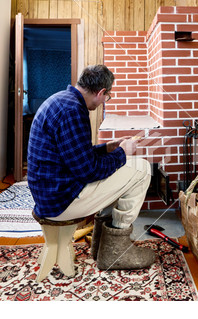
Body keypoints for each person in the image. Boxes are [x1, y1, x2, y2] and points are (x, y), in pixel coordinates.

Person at [27, 64, 155, 270]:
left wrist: (107, 148)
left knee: (120, 169)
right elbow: (89, 171)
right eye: (108, 96)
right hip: (60, 201)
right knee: (142, 169)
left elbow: (74, 155)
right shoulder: (73, 112)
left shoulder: (61, 100)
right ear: (101, 92)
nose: (106, 101)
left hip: (50, 195)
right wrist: (124, 153)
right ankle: (116, 251)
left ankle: (100, 246)